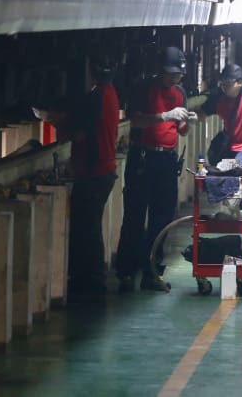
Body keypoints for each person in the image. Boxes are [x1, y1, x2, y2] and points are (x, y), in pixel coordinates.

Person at [33, 56, 120, 301]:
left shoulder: (97, 97)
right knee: (88, 227)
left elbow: (80, 133)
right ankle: (86, 278)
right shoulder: (109, 93)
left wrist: (53, 121)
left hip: (94, 171)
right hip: (101, 169)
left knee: (87, 228)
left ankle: (92, 281)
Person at [116, 46, 194, 293]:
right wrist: (164, 116)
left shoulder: (180, 92)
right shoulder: (144, 88)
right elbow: (136, 120)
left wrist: (187, 122)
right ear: (160, 71)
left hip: (166, 159)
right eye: (170, 74)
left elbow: (181, 129)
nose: (174, 78)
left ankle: (152, 271)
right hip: (143, 157)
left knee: (162, 217)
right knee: (135, 216)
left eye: (177, 75)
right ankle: (126, 272)